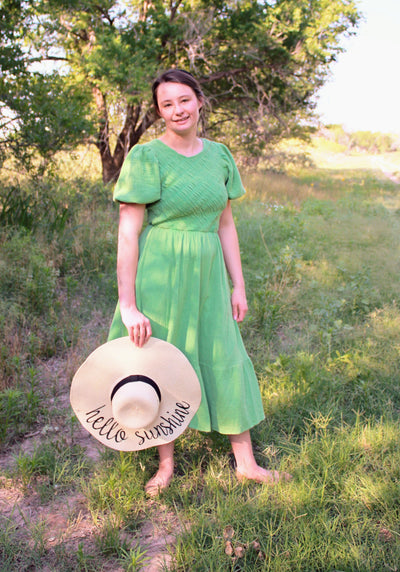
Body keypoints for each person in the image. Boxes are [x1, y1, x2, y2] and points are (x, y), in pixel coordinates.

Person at [108, 69, 291, 496]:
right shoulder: (146, 157)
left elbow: (226, 224)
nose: (177, 110)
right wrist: (128, 304)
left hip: (208, 271)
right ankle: (166, 464)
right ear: (159, 111)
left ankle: (246, 463)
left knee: (225, 353)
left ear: (199, 101)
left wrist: (238, 284)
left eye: (184, 100)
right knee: (162, 361)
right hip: (162, 271)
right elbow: (128, 232)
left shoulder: (220, 156)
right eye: (167, 104)